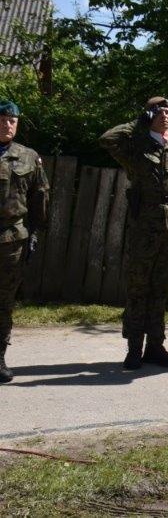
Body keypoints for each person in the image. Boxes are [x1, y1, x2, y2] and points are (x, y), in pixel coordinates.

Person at [99, 97, 168, 370]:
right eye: (158, 111)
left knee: (161, 289)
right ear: (149, 115)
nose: (165, 115)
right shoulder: (136, 146)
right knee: (138, 289)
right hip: (144, 231)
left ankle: (155, 346)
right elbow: (107, 139)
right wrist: (137, 122)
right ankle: (134, 349)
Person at [0, 100, 49, 384]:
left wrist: (35, 233)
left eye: (12, 121)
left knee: (4, 301)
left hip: (11, 240)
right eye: (3, 120)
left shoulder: (29, 157)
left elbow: (39, 196)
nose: (7, 125)